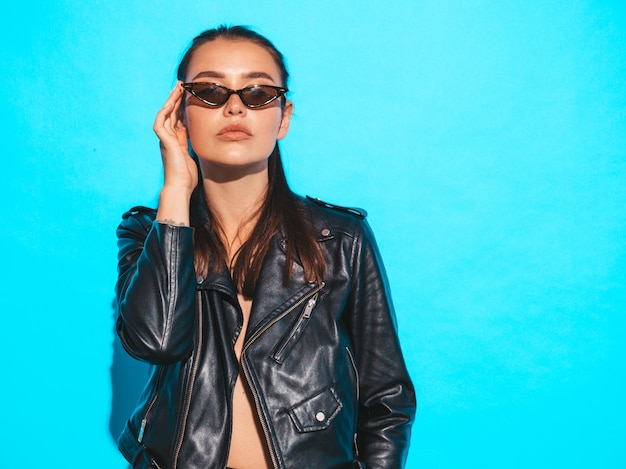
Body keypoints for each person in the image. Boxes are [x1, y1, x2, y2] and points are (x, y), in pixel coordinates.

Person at [115, 25, 415, 469]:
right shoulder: (150, 232)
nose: (234, 106)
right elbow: (156, 342)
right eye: (210, 91)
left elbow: (386, 398)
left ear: (284, 117)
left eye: (257, 93)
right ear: (180, 114)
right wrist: (175, 192)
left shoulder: (341, 239)